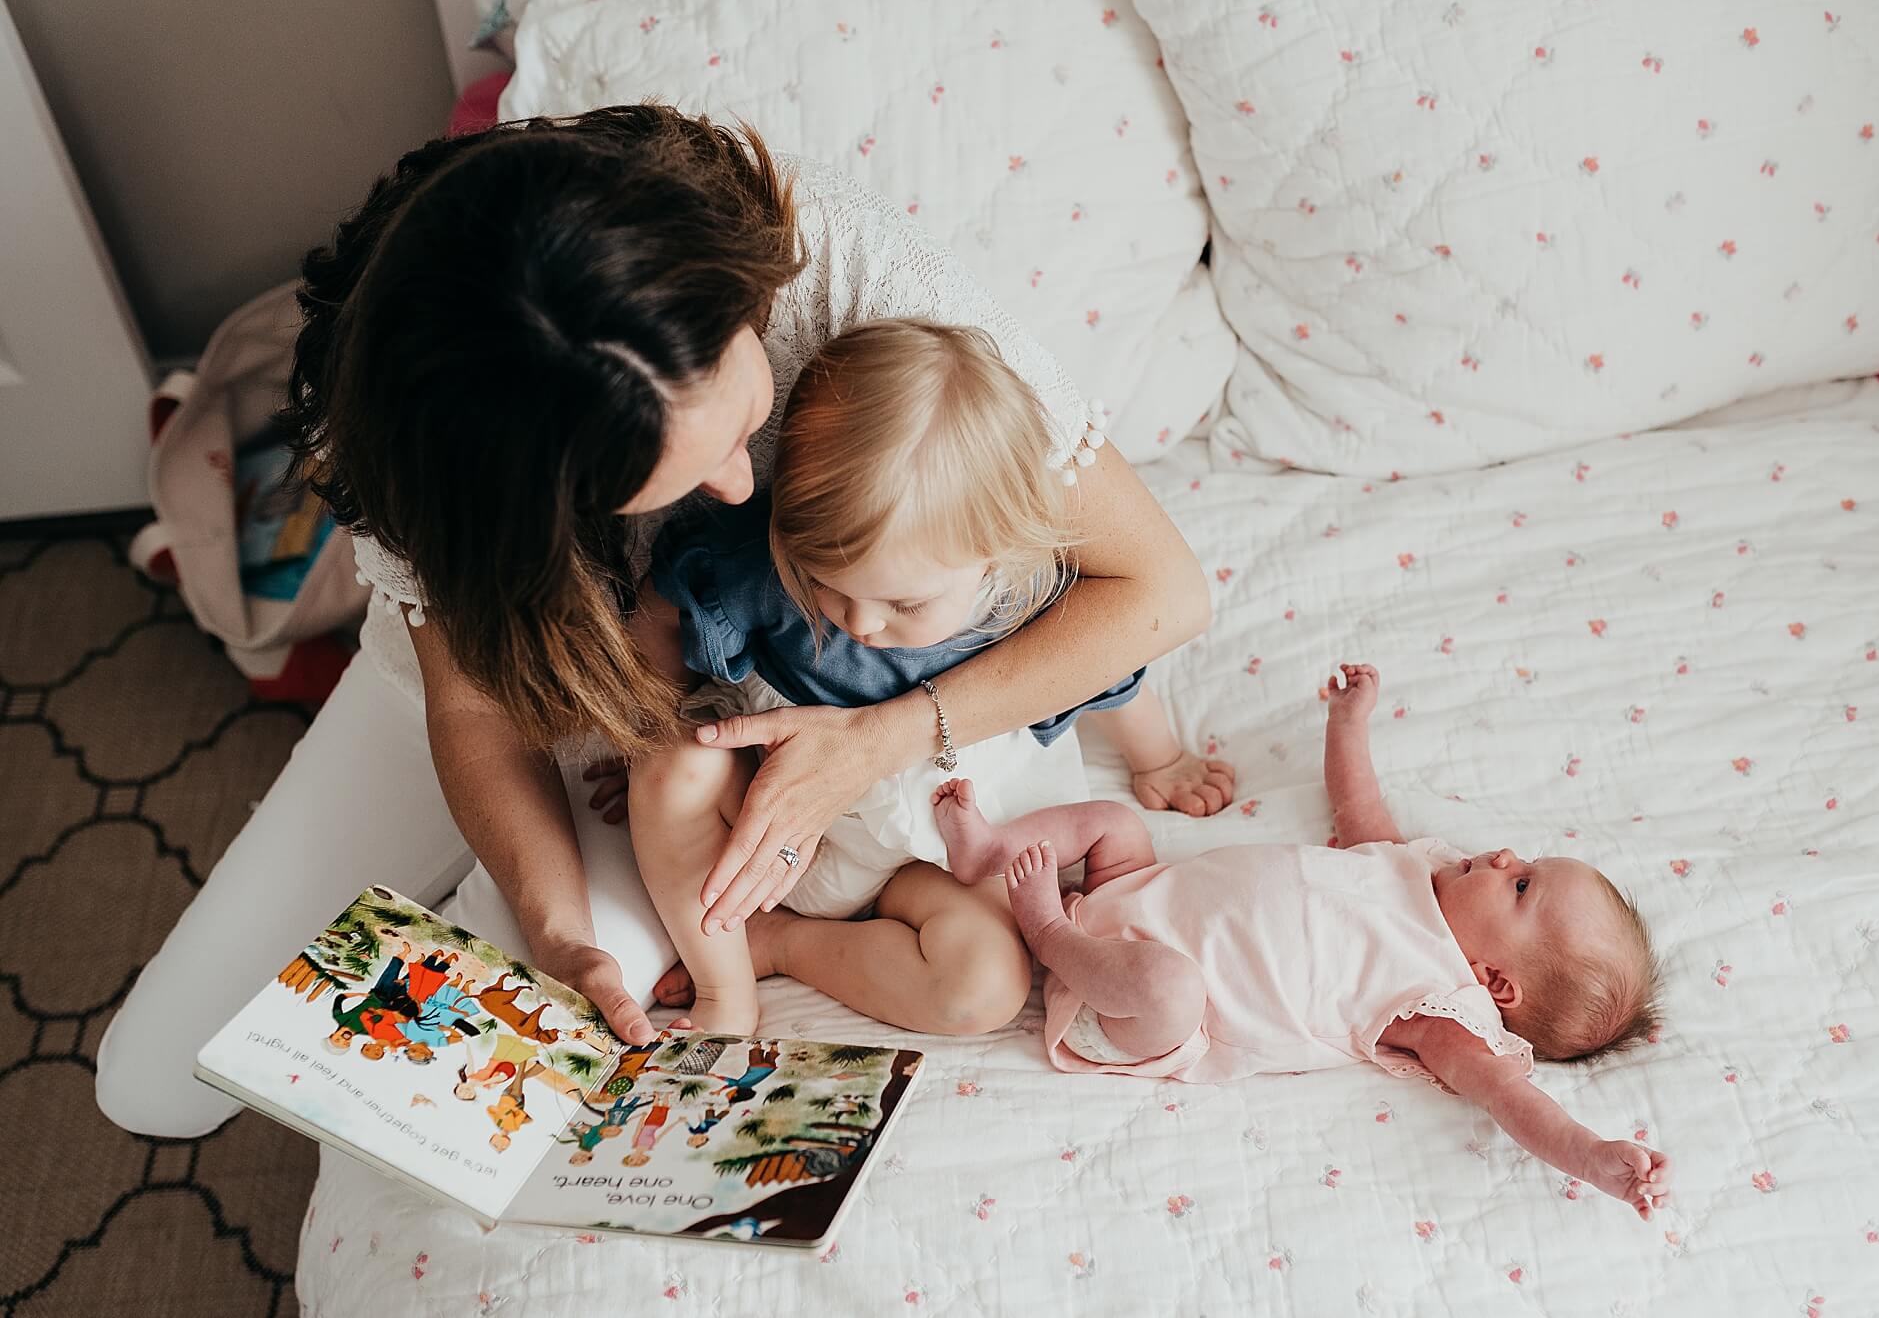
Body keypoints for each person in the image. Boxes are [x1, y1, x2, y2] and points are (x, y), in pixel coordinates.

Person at [94, 103, 1208, 1138]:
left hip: (755, 723)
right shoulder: (417, 453)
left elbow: (1160, 591)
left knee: (548, 1077)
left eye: (741, 424)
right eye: (681, 470)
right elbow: (475, 711)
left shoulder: (833, 269)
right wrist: (555, 925)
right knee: (152, 1085)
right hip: (541, 698)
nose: (738, 487)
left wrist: (885, 735)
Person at [630, 319, 1236, 1034]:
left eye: (904, 603)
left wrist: (1159, 757)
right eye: (828, 583)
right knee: (671, 771)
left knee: (983, 985)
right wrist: (640, 725)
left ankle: (783, 946)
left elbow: (1106, 674)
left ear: (994, 552)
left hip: (933, 860)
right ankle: (723, 987)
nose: (861, 622)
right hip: (779, 825)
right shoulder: (762, 572)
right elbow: (661, 617)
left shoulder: (1025, 597)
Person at [931, 664, 1675, 1218]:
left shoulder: (1442, 1010)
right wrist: (1349, 722)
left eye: (1522, 888)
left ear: (1497, 981)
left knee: (1171, 988)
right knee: (1117, 823)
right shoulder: (1412, 864)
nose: (1508, 856)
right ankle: (986, 849)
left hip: (1136, 1004)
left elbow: (1514, 1101)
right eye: (1528, 861)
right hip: (1136, 889)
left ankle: (1046, 930)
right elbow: (1358, 804)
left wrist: (1597, 1158)